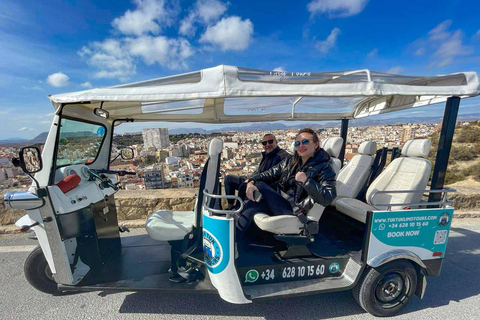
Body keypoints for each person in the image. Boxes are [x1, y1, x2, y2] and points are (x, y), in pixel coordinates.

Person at [236, 128, 337, 240]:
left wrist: (306, 181)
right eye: (298, 143)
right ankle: (232, 241)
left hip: (297, 210)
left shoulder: (325, 168)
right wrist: (251, 181)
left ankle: (231, 240)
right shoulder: (291, 161)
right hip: (283, 200)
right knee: (254, 204)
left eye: (305, 142)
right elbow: (270, 173)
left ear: (316, 144)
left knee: (260, 187)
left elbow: (328, 197)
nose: (301, 146)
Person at [224, 133, 289, 208]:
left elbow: (274, 176)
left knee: (244, 186)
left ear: (276, 142)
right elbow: (258, 171)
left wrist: (252, 180)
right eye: (264, 143)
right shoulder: (266, 155)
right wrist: (251, 178)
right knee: (229, 179)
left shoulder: (283, 157)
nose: (267, 144)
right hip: (257, 180)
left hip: (267, 186)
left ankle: (238, 209)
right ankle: (230, 205)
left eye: (270, 141)